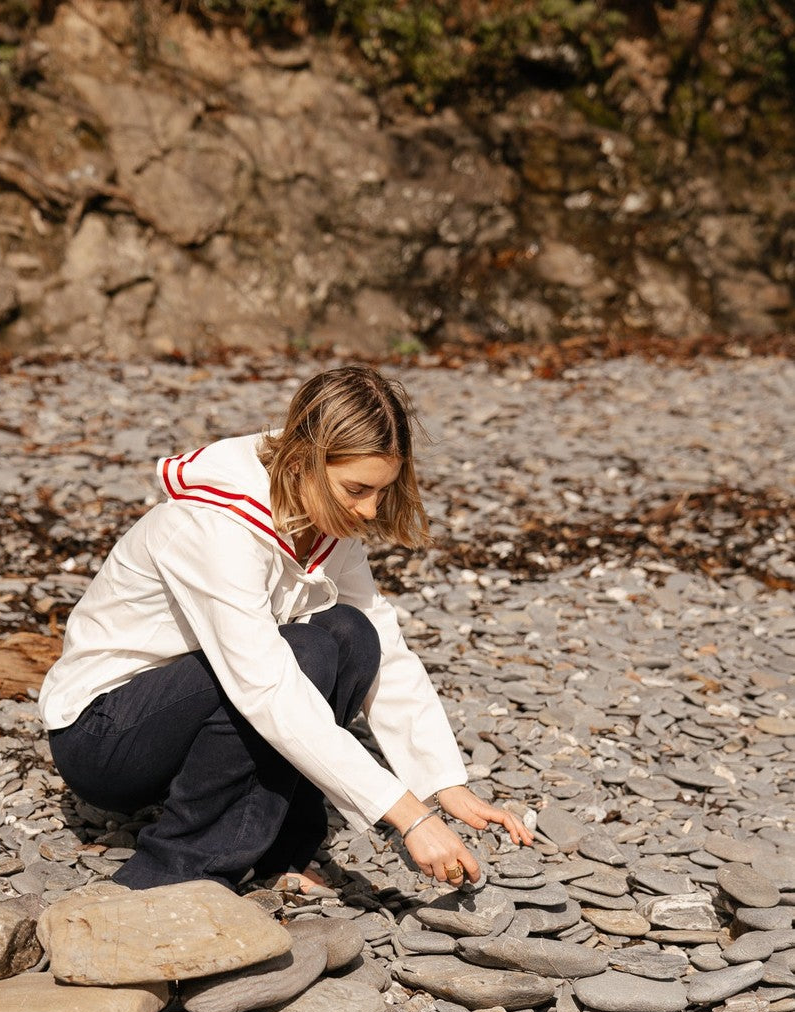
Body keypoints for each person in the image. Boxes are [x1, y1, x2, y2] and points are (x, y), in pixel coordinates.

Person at [40, 365, 531, 895]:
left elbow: (386, 651)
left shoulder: (324, 520)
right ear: (303, 461)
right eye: (357, 489)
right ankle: (174, 876)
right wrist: (407, 816)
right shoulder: (211, 527)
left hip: (188, 714)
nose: (369, 511)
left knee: (350, 633)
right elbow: (264, 686)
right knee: (300, 656)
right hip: (105, 736)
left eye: (380, 493)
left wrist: (441, 783)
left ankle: (279, 853)